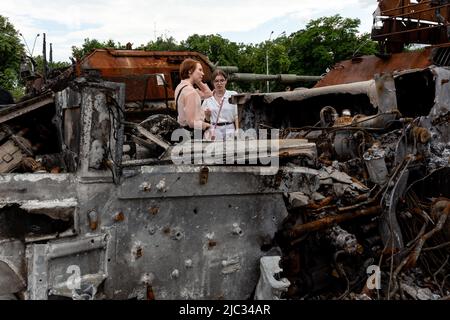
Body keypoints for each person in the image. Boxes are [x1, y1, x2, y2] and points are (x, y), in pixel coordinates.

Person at [174, 59, 213, 136]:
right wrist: (208, 125)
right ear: (190, 71)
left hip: (182, 130)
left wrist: (197, 80)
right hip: (194, 133)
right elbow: (192, 123)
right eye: (200, 70)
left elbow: (208, 94)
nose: (203, 73)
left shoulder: (180, 87)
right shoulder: (191, 92)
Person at [202, 69, 239, 140]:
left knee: (230, 150)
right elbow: (205, 120)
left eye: (222, 80)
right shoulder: (208, 99)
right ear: (213, 82)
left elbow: (236, 116)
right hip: (214, 131)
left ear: (226, 81)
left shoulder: (233, 95)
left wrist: (237, 130)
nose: (219, 83)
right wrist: (207, 116)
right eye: (216, 81)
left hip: (230, 129)